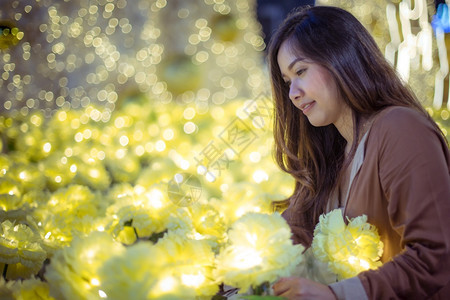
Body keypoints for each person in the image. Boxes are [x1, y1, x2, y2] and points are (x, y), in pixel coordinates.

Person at [267, 5, 450, 300]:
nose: (293, 93)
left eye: (301, 71)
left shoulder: (400, 128)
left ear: (341, 59)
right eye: (288, 82)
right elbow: (289, 236)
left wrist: (335, 294)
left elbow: (436, 256)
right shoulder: (330, 154)